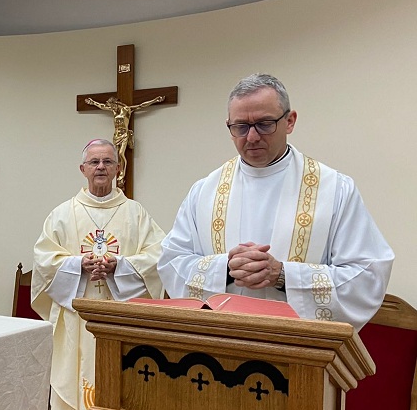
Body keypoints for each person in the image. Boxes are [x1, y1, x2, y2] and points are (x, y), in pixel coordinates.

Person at [157, 74, 394, 330]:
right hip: (221, 339)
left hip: (296, 344)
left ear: (289, 121)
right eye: (240, 127)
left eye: (264, 124)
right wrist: (224, 269)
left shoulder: (335, 189)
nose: (252, 137)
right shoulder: (205, 191)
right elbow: (172, 261)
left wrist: (283, 275)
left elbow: (367, 275)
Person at [32, 139, 165, 410]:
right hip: (77, 321)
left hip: (122, 322)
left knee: (120, 393)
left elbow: (159, 257)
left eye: (108, 161)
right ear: (83, 169)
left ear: (118, 168)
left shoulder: (136, 214)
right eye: (94, 162)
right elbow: (43, 263)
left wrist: (121, 266)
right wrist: (78, 265)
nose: (101, 167)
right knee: (76, 392)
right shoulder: (63, 214)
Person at [84, 96, 164, 190]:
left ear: (116, 104)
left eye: (112, 106)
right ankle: (120, 176)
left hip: (124, 135)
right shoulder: (114, 111)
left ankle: (121, 174)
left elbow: (141, 105)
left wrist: (155, 100)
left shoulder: (127, 109)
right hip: (116, 136)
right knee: (116, 157)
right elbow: (102, 106)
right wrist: (92, 102)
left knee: (121, 154)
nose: (111, 108)